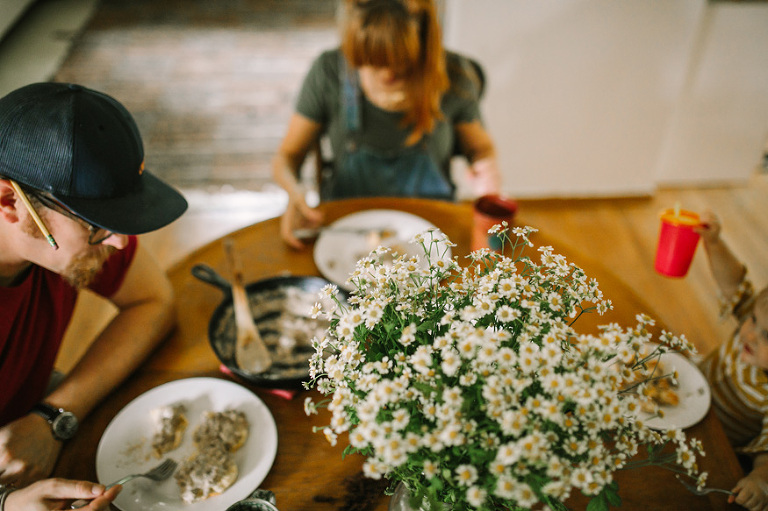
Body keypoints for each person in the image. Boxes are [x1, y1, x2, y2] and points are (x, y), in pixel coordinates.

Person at [0, 82, 188, 505]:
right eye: (97, 223)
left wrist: (51, 417)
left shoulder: (77, 242)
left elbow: (153, 301)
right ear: (10, 202)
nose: (121, 243)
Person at [272, 0, 502, 248]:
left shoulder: (454, 75)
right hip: (347, 236)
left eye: (400, 61)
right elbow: (287, 156)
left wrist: (486, 177)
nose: (385, 74)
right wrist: (295, 195)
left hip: (433, 235)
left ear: (424, 41)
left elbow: (480, 150)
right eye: (372, 60)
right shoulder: (328, 71)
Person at [696, 211, 768, 511]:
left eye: (767, 336)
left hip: (708, 441)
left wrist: (760, 481)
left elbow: (766, 454)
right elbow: (734, 285)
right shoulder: (751, 330)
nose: (748, 333)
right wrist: (713, 242)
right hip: (687, 387)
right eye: (753, 319)